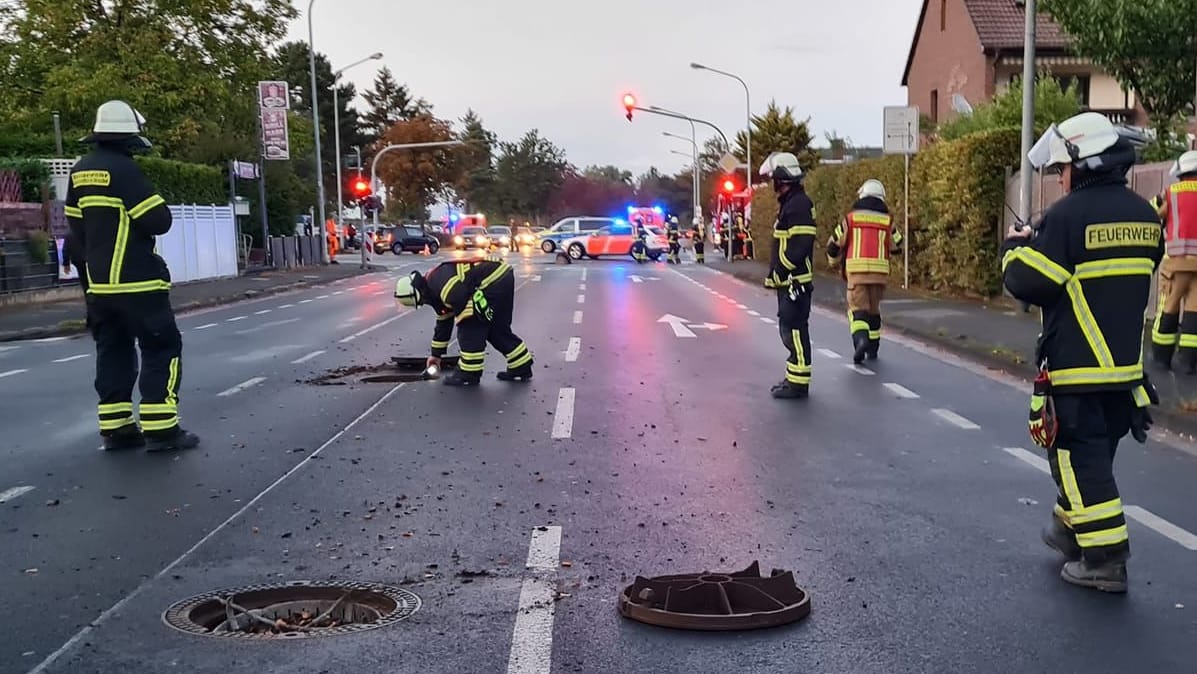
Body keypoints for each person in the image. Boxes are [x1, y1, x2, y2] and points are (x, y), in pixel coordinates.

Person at [1002, 111, 1162, 593]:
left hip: (1078, 372)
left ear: (1084, 162)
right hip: (1125, 374)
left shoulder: (1068, 216)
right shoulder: (1144, 216)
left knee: (1073, 459)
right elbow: (1105, 271)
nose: (1059, 177)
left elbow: (1033, 280)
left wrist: (1015, 249)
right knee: (1093, 460)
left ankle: (1106, 559)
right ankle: (1067, 530)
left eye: (1062, 168)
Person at [64, 100, 199, 452]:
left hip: (100, 287)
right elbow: (159, 220)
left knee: (113, 351)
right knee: (162, 346)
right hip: (138, 282)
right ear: (129, 138)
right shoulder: (125, 171)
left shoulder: (79, 171)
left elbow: (76, 228)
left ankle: (117, 428)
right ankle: (162, 430)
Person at [393, 255, 534, 387]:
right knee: (496, 328)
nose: (423, 303)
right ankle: (520, 365)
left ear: (418, 292)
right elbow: (444, 322)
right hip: (502, 276)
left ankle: (469, 373)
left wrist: (468, 326)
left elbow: (461, 299)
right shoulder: (432, 289)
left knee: (469, 325)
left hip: (491, 279)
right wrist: (436, 355)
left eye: (421, 301)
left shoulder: (438, 281)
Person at [826, 179, 903, 364]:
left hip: (857, 273)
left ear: (862, 195)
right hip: (880, 275)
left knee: (858, 310)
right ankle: (872, 350)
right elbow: (898, 246)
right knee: (874, 311)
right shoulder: (887, 220)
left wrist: (832, 261)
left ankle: (861, 341)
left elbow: (834, 243)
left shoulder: (851, 219)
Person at [761, 151, 816, 399]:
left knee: (793, 330)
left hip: (796, 282)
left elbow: (800, 244)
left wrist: (780, 270)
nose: (772, 185)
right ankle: (794, 378)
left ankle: (798, 384)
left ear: (781, 179)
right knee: (789, 329)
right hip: (790, 282)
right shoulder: (792, 203)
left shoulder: (798, 205)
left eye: (774, 179)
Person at [1149, 150, 1197, 372]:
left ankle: (1161, 358)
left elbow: (1148, 214)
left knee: (1168, 307)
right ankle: (1188, 361)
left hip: (1176, 264)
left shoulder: (1169, 193)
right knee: (1194, 310)